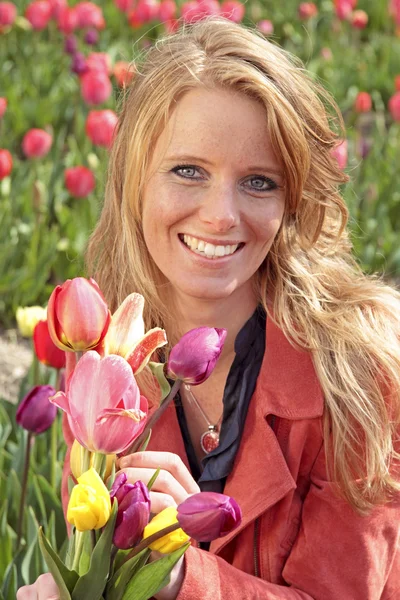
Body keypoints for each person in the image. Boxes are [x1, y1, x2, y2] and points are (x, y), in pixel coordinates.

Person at [17, 16, 400, 600]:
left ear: (292, 201)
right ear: (133, 180)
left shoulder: (359, 372)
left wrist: (178, 577)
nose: (221, 214)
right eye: (188, 170)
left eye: (259, 182)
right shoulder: (110, 356)